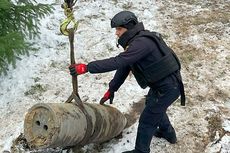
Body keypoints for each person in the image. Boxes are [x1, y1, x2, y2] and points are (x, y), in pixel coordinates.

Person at [69, 11, 185, 153]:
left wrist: (87, 67)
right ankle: (168, 133)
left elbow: (118, 62)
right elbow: (125, 66)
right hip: (164, 85)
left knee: (147, 120)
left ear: (129, 28)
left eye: (119, 29)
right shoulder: (137, 42)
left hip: (168, 87)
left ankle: (141, 151)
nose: (116, 33)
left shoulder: (141, 44)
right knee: (153, 106)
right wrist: (112, 89)